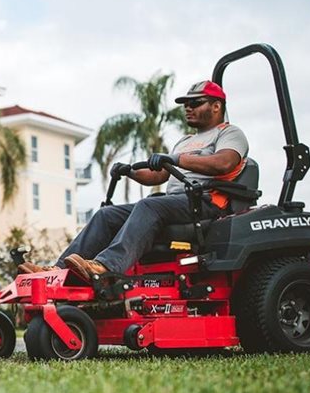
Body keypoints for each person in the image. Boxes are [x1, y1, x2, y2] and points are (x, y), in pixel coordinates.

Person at [19, 80, 249, 282]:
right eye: (185, 104)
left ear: (217, 106)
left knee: (149, 205)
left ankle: (107, 265)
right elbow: (159, 176)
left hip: (206, 202)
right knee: (106, 215)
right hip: (175, 202)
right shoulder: (186, 141)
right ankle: (58, 271)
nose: (188, 108)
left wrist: (177, 158)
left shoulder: (229, 133)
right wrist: (129, 171)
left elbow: (224, 163)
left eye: (196, 103)